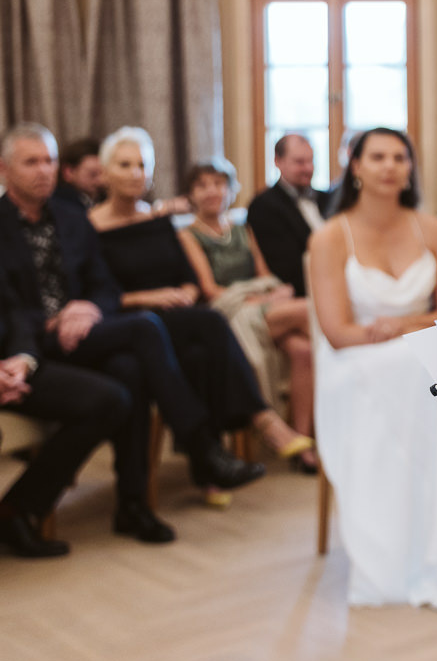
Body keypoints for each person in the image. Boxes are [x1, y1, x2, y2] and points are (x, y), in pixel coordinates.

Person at [0, 123, 264, 543]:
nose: (43, 170)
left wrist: (85, 308)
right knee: (144, 329)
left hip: (83, 332)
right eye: (31, 161)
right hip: (33, 344)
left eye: (49, 160)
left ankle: (133, 504)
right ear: (4, 170)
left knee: (132, 369)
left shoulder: (71, 219)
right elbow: (8, 309)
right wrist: (54, 321)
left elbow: (103, 286)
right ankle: (200, 447)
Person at [307, 126, 437, 609]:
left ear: (410, 168)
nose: (389, 166)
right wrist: (402, 332)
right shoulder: (329, 237)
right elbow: (337, 331)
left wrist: (407, 323)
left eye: (400, 157)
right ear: (355, 166)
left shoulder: (433, 228)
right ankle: (412, 544)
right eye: (377, 157)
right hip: (354, 359)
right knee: (422, 372)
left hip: (415, 346)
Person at [90, 127, 313, 494]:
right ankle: (261, 424)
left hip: (172, 316)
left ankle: (210, 466)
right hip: (131, 319)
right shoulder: (90, 226)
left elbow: (189, 279)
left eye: (142, 165)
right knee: (208, 327)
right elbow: (96, 291)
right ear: (105, 170)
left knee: (199, 353)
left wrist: (183, 291)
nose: (135, 173)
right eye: (124, 164)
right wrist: (148, 298)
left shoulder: (157, 220)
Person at [177, 157, 317, 473]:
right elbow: (210, 290)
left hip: (260, 305)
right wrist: (254, 298)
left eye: (218, 184)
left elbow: (264, 273)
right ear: (191, 193)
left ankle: (301, 439)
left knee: (303, 350)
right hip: (226, 313)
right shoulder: (187, 235)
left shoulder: (242, 228)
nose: (212, 191)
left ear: (229, 189)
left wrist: (267, 294)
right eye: (202, 186)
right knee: (309, 309)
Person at [0, 281, 129, 557]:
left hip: (12, 364)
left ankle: (16, 511)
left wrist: (22, 360)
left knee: (109, 399)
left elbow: (13, 311)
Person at [247, 134, 327, 297]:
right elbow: (286, 269)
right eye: (299, 162)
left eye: (311, 161)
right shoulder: (264, 206)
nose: (308, 168)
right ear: (278, 161)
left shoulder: (327, 198)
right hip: (304, 291)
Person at [54, 137, 105, 211]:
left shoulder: (105, 197)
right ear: (68, 172)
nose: (100, 180)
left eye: (104, 174)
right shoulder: (58, 206)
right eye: (93, 174)